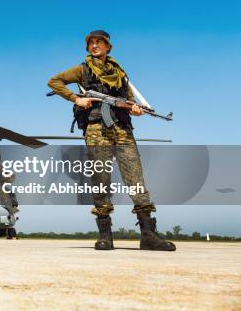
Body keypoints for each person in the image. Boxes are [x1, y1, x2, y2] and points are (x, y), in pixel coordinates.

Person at [48, 30, 175, 251]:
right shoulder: (82, 69)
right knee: (101, 180)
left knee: (136, 181)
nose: (95, 46)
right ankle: (105, 235)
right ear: (88, 48)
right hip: (97, 130)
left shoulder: (119, 73)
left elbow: (129, 101)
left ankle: (148, 235)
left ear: (108, 47)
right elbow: (54, 81)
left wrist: (135, 110)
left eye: (100, 42)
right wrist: (77, 98)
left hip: (123, 130)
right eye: (91, 43)